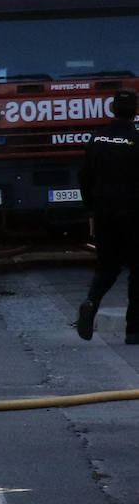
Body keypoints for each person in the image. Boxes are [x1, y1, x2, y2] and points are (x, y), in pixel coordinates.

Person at [76, 88, 139, 343]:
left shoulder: (97, 139)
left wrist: (90, 208)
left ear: (111, 109)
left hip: (104, 213)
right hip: (133, 215)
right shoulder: (136, 141)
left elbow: (84, 177)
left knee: (106, 267)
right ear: (134, 112)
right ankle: (134, 331)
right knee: (137, 272)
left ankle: (91, 301)